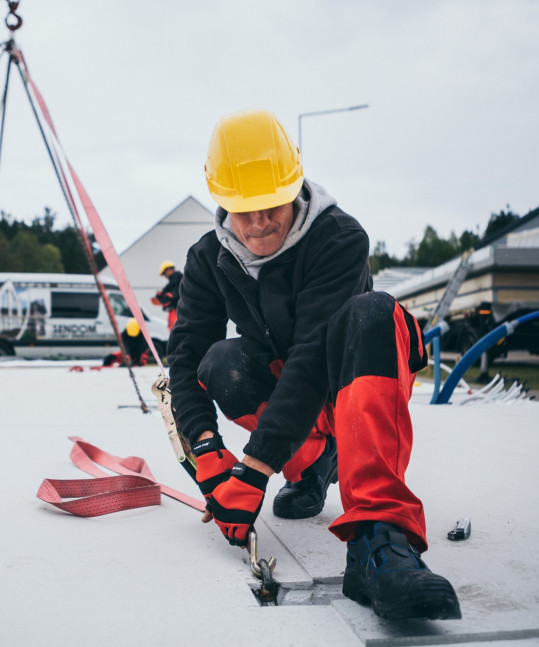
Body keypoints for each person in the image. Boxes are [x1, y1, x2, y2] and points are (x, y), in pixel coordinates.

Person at [167, 109, 461, 621]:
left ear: (295, 184)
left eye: (272, 205)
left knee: (373, 312)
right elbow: (186, 359)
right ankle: (312, 464)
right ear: (220, 200)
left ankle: (379, 537)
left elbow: (310, 358)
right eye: (244, 210)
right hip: (296, 398)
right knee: (221, 364)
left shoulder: (339, 239)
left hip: (356, 381)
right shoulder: (206, 261)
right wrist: (209, 456)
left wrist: (254, 468)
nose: (260, 222)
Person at [152, 261, 182, 329]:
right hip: (175, 311)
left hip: (177, 311)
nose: (165, 276)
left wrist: (168, 295)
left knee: (175, 329)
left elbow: (176, 293)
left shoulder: (178, 279)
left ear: (169, 270)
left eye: (164, 273)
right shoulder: (175, 281)